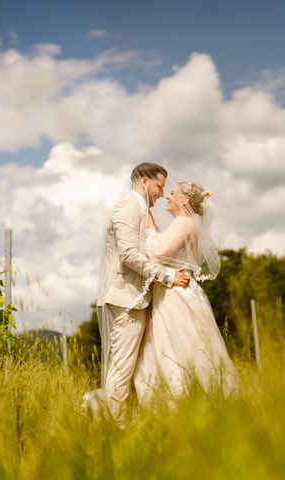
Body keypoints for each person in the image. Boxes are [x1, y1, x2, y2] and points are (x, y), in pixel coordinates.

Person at [90, 163, 191, 422]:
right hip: (126, 299)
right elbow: (128, 255)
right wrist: (168, 276)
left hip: (137, 298)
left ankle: (120, 422)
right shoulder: (128, 206)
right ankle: (114, 427)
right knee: (122, 368)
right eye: (160, 186)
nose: (161, 193)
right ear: (144, 181)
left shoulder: (141, 210)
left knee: (131, 368)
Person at [133, 181, 239, 403]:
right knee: (189, 347)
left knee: (176, 347)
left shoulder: (183, 222)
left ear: (185, 201)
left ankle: (176, 402)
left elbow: (160, 254)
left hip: (176, 293)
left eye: (172, 193)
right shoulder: (186, 224)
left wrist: (150, 230)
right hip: (179, 289)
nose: (167, 197)